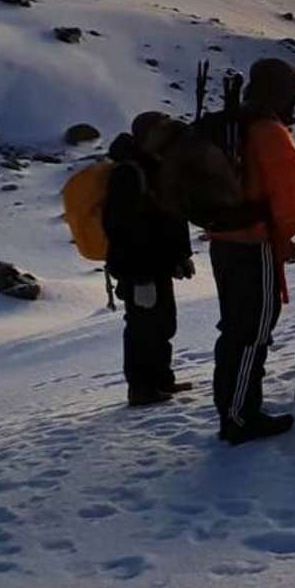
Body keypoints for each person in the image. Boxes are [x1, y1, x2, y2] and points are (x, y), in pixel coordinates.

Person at [204, 57, 295, 445]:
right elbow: (290, 194)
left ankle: (233, 410)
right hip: (255, 243)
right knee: (253, 330)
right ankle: (240, 416)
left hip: (225, 241)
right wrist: (281, 238)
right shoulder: (268, 131)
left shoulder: (235, 125)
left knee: (236, 327)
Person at [103, 112, 195, 407]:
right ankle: (141, 388)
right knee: (143, 326)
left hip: (158, 264)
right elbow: (119, 226)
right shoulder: (129, 172)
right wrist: (138, 274)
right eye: (161, 130)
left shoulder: (155, 166)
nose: (166, 135)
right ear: (147, 135)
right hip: (139, 267)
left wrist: (181, 255)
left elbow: (170, 217)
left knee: (163, 323)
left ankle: (161, 379)